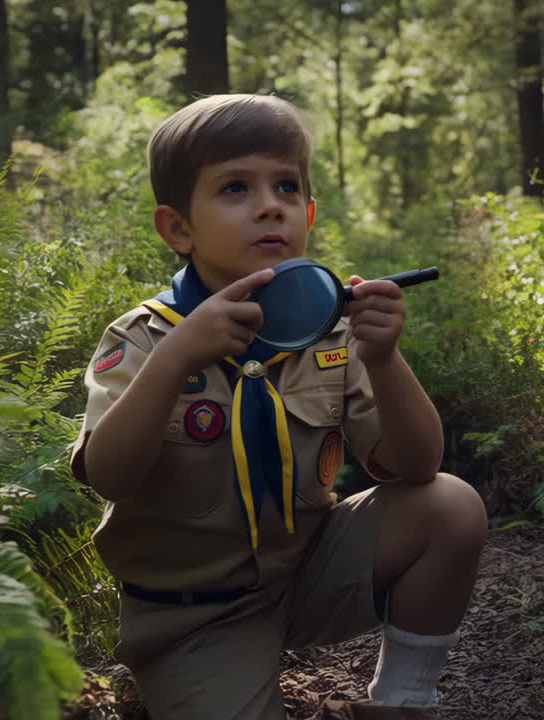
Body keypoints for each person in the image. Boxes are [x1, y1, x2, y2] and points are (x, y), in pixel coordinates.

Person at [71, 93, 488, 720]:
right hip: (193, 615)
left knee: (450, 505)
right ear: (178, 228)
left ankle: (402, 703)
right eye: (235, 188)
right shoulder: (144, 339)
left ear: (309, 213)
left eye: (287, 187)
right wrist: (177, 358)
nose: (269, 205)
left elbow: (416, 466)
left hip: (306, 574)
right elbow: (110, 475)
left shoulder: (328, 328)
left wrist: (384, 359)